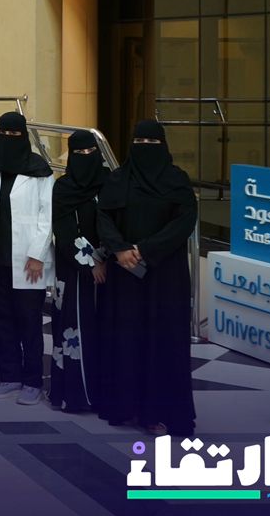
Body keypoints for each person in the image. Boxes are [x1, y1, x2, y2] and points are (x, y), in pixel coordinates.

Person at [96, 121, 198, 436]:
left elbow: (184, 222)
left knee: (162, 342)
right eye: (139, 141)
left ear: (163, 145)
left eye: (151, 143)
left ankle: (160, 412)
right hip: (125, 274)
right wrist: (119, 249)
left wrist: (144, 249)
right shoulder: (117, 180)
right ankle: (124, 406)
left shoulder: (177, 181)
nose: (145, 148)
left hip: (165, 277)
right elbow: (104, 216)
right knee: (127, 339)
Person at [0, 112, 54, 406]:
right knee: (2, 322)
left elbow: (47, 215)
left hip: (29, 260)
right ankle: (10, 376)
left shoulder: (39, 170)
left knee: (29, 322)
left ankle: (32, 381)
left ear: (24, 136)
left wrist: (37, 254)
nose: (8, 139)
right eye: (3, 134)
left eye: (14, 134)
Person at [50, 130, 108, 414]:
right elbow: (63, 231)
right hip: (74, 269)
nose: (85, 158)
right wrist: (91, 262)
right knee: (74, 328)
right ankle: (75, 395)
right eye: (79, 154)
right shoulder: (63, 188)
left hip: (111, 267)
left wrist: (106, 256)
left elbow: (115, 223)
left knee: (106, 331)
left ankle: (106, 395)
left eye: (90, 153)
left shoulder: (110, 183)